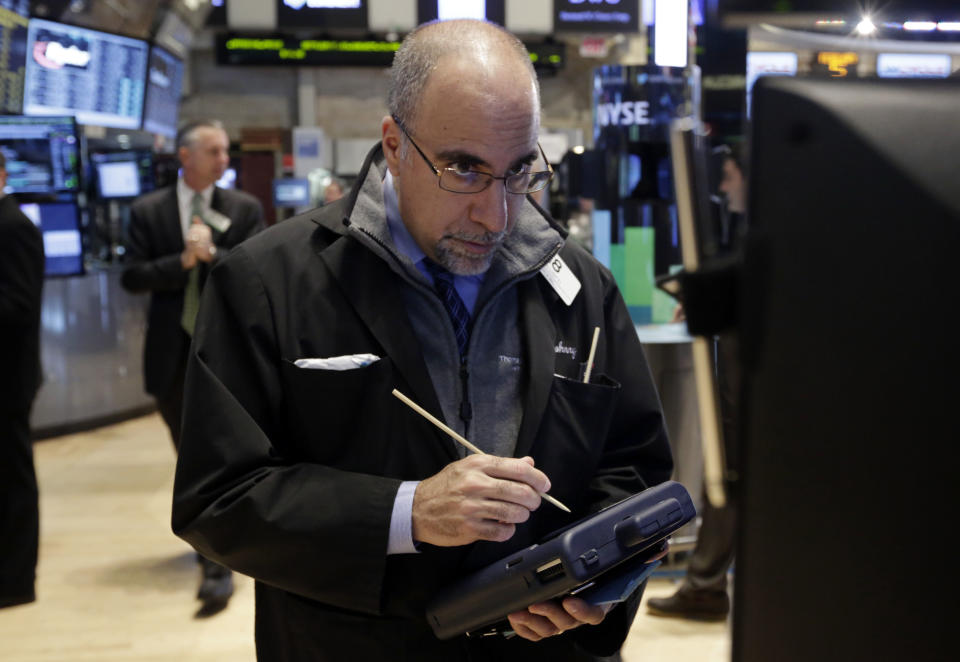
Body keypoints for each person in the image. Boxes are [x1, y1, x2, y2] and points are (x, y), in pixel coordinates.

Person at [172, 20, 673, 661]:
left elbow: (633, 465)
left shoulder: (579, 284)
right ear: (395, 145)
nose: (495, 215)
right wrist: (406, 511)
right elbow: (217, 499)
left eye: (520, 171)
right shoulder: (267, 282)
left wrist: (593, 583)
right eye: (464, 170)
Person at [120, 120, 264, 615]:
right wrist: (180, 262)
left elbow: (257, 274)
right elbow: (132, 276)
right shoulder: (148, 211)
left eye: (227, 151)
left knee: (218, 455)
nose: (225, 159)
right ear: (186, 156)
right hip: (170, 357)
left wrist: (215, 255)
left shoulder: (243, 209)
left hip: (228, 357)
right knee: (190, 455)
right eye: (214, 151)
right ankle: (214, 546)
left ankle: (218, 561)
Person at [647, 144, 746, 622]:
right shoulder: (756, 227)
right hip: (741, 375)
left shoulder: (776, 229)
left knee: (728, 481)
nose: (725, 186)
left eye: (730, 176)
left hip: (749, 383)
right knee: (725, 482)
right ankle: (705, 586)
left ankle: (705, 585)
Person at [0, 151, 45, 609]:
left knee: (14, 479)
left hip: (8, 380)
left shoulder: (14, 227)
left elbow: (18, 305)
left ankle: (16, 581)